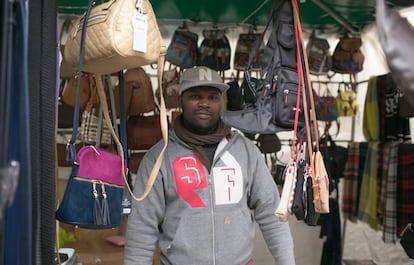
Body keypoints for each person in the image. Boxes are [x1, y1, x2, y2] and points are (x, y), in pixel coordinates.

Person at [123, 66, 295, 265]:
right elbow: (142, 228)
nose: (204, 103)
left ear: (221, 102)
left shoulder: (246, 152)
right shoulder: (159, 157)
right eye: (195, 96)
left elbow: (272, 214)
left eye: (212, 97)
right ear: (181, 100)